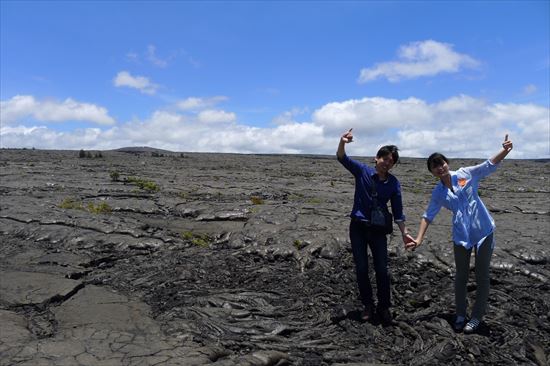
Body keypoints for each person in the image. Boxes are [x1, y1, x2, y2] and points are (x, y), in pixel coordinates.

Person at [406, 134, 513, 333]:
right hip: (461, 236)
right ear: (432, 172)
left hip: (483, 231)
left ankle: (477, 317)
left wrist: (505, 150)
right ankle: (461, 314)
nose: (440, 167)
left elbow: (488, 165)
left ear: (447, 163)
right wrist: (419, 238)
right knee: (461, 277)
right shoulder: (438, 192)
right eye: (435, 166)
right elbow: (428, 215)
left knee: (482, 276)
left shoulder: (465, 174)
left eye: (442, 163)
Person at [337, 128, 415, 325]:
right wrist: (343, 142)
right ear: (376, 158)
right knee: (362, 268)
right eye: (385, 159)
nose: (387, 163)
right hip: (358, 228)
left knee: (382, 269)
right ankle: (367, 305)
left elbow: (398, 211)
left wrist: (405, 233)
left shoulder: (393, 183)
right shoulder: (363, 171)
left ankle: (384, 306)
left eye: (391, 161)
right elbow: (341, 157)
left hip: (378, 230)